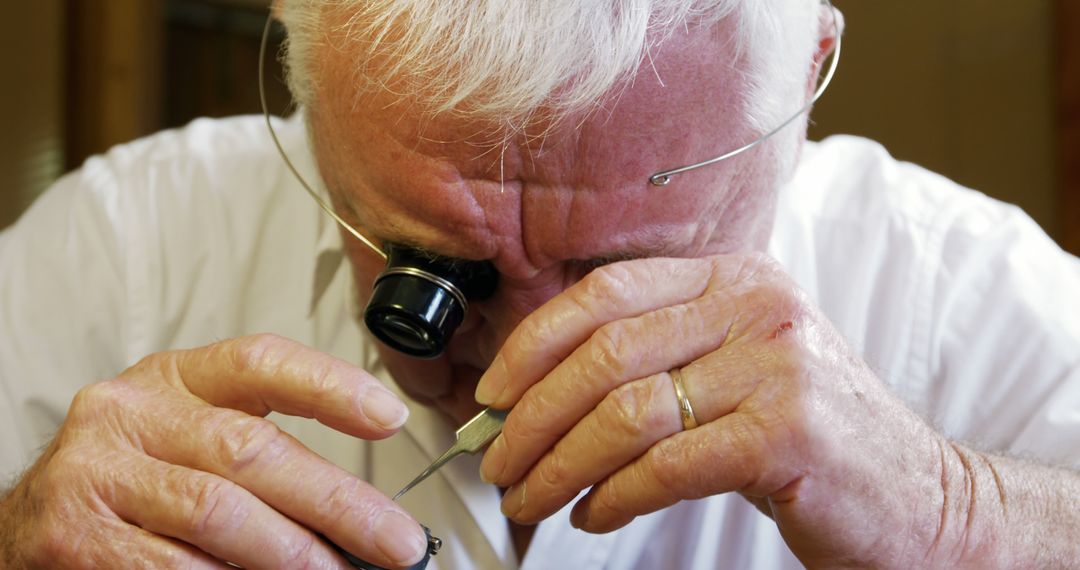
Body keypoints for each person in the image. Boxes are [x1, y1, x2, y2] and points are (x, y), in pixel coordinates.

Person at [2, 0, 1079, 567]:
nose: (524, 377)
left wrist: (958, 519)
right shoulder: (126, 249)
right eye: (433, 272)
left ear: (803, 86)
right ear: (300, 74)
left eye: (622, 277)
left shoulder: (964, 295)